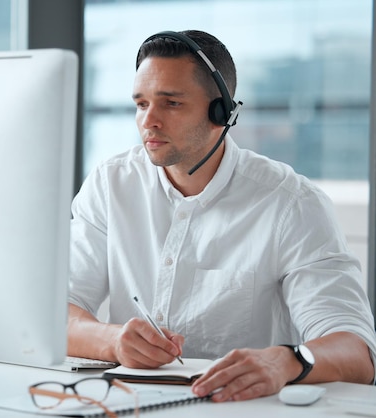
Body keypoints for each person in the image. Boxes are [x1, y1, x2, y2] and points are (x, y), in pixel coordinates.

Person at [67, 29, 376, 402]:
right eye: (141, 104)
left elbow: (358, 352)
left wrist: (287, 362)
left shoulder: (291, 203)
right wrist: (113, 341)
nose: (149, 121)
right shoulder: (111, 183)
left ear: (222, 112)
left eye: (171, 104)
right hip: (129, 404)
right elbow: (54, 313)